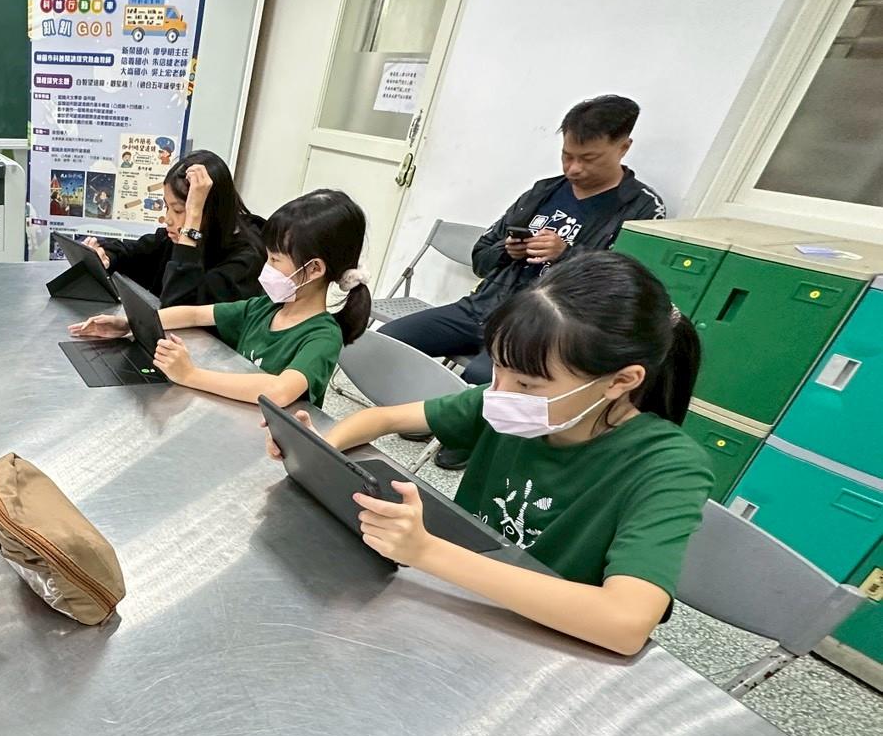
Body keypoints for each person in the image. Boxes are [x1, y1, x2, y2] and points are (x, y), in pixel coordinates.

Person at [268, 251, 711, 656]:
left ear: (620, 381)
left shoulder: (668, 468)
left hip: (542, 647)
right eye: (498, 367)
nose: (499, 392)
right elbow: (380, 419)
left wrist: (426, 551)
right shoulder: (510, 403)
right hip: (461, 607)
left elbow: (625, 622)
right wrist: (319, 448)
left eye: (528, 384)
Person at [381, 95, 665, 469]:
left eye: (588, 158)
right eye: (567, 155)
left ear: (623, 147)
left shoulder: (642, 208)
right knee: (390, 339)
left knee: (484, 375)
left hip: (540, 329)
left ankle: (466, 435)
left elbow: (622, 289)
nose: (574, 168)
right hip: (483, 307)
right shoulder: (543, 191)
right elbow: (481, 257)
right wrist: (507, 250)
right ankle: (438, 416)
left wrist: (566, 253)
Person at [69, 189, 369, 408]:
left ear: (314, 269)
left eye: (276, 260)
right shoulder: (265, 308)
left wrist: (190, 374)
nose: (266, 267)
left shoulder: (322, 336)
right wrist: (128, 323)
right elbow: (195, 314)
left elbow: (279, 391)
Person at [80, 151, 266, 307]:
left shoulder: (246, 261)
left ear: (210, 211)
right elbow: (132, 252)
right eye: (167, 207)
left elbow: (177, 306)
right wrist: (106, 256)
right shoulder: (172, 237)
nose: (168, 219)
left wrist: (191, 226)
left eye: (178, 210)